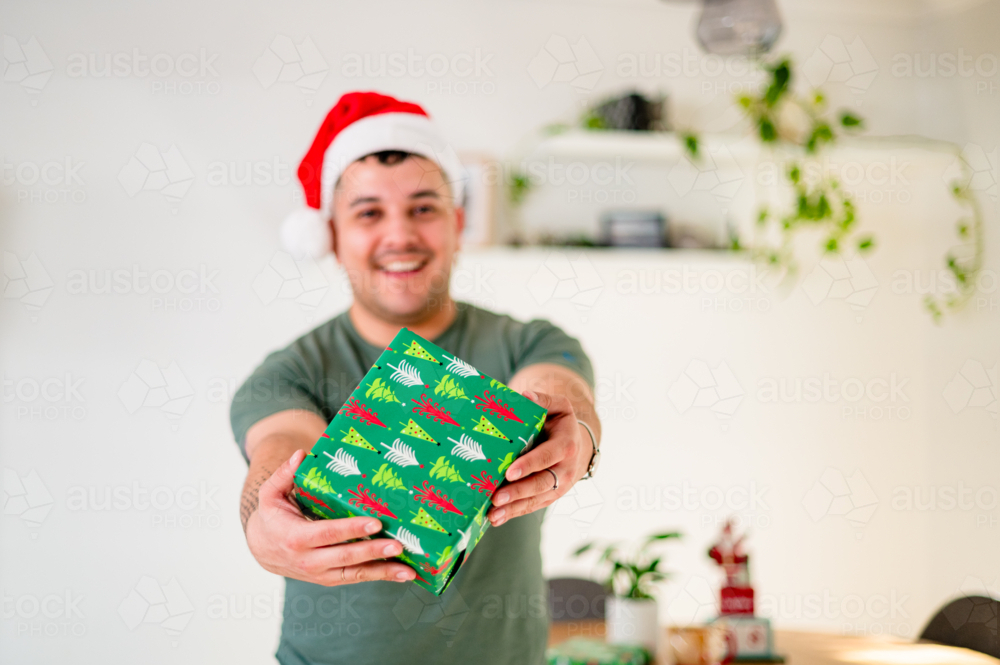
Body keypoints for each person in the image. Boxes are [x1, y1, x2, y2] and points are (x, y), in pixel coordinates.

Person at [230, 91, 602, 665]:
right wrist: (263, 519)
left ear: (456, 223)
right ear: (330, 235)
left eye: (424, 208)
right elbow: (280, 452)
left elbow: (559, 387)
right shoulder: (289, 373)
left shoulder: (528, 341)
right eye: (369, 213)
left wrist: (578, 430)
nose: (400, 235)